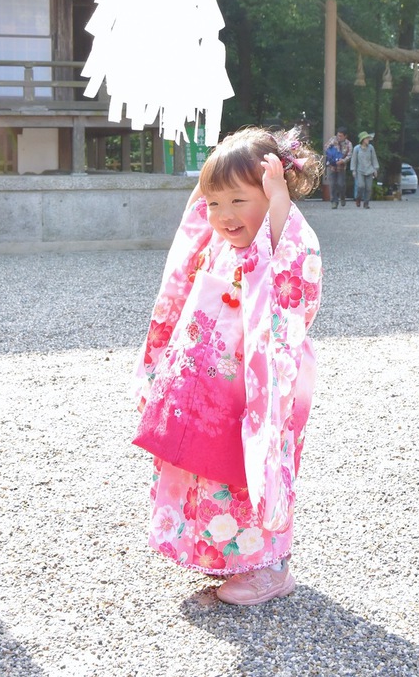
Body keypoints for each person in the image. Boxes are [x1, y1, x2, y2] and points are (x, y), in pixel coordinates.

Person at [133, 127, 323, 606]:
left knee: (250, 469)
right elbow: (189, 240)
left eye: (238, 200)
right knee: (209, 468)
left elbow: (292, 266)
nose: (223, 216)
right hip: (210, 387)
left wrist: (279, 197)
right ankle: (222, 555)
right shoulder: (219, 243)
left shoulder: (279, 244)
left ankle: (271, 569)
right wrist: (208, 189)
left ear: (272, 192)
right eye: (215, 203)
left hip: (256, 389)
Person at [323, 127, 352, 208]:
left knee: (341, 184)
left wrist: (342, 161)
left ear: (345, 136)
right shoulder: (333, 140)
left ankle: (342, 197)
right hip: (332, 166)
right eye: (338, 135)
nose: (339, 137)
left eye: (341, 136)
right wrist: (331, 152)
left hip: (341, 167)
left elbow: (349, 155)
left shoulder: (348, 144)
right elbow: (326, 147)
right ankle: (334, 202)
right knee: (332, 184)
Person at [350, 131, 379, 208]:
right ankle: (358, 198)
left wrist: (375, 169)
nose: (368, 140)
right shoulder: (357, 149)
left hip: (369, 170)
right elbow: (354, 160)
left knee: (369, 188)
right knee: (361, 186)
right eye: (366, 138)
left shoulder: (371, 148)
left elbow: (374, 158)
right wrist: (353, 170)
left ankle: (366, 203)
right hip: (360, 170)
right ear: (363, 140)